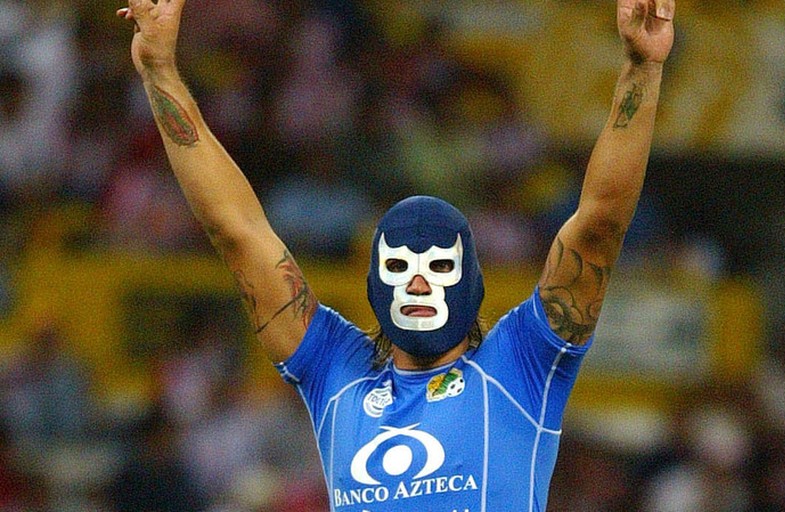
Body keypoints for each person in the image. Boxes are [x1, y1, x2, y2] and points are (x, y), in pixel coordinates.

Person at [117, 0, 675, 510]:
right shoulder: (335, 371)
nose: (416, 285)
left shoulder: (520, 365)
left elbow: (598, 223)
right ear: (374, 282)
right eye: (399, 268)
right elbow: (236, 230)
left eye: (437, 268)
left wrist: (642, 70)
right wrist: (160, 70)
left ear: (470, 281)